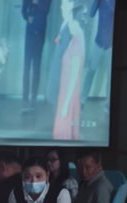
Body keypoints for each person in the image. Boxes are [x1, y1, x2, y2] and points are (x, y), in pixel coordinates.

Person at [53, 0, 86, 141]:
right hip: (66, 93)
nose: (69, 24)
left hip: (69, 96)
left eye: (72, 22)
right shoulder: (76, 39)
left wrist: (66, 104)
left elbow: (73, 78)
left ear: (77, 23)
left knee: (63, 132)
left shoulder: (77, 44)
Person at [21, 0, 53, 113]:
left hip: (40, 33)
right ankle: (24, 100)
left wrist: (37, 2)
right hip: (29, 33)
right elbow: (23, 10)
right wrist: (26, 17)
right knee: (26, 68)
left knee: (36, 68)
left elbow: (46, 10)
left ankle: (33, 99)